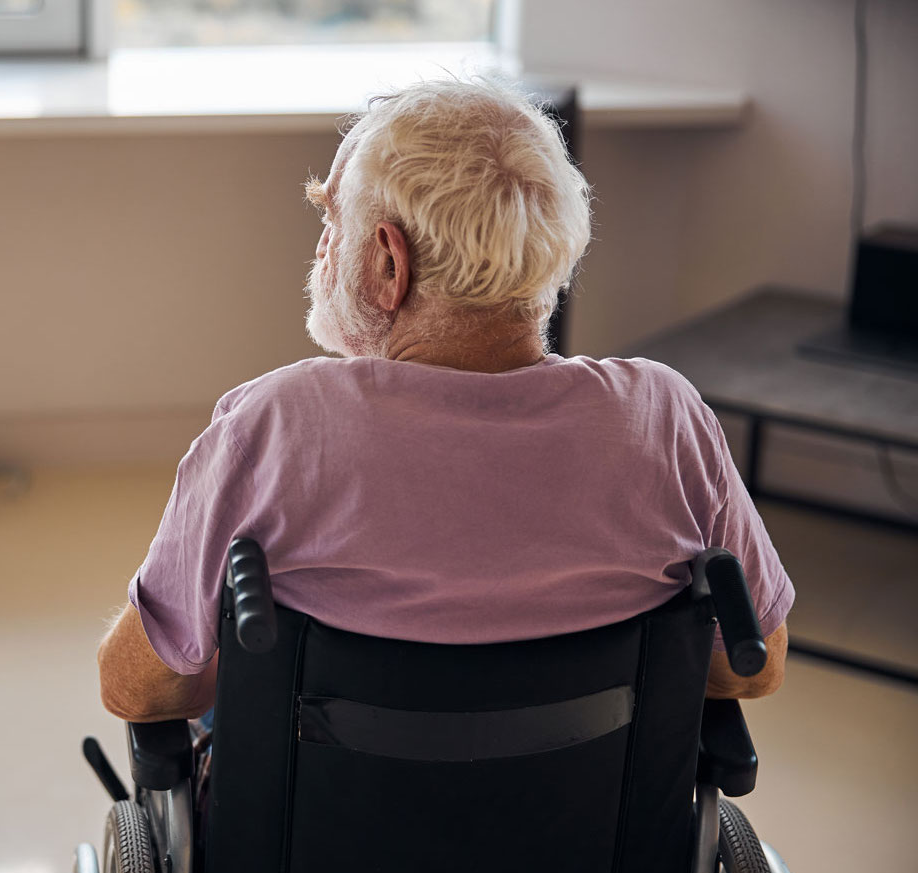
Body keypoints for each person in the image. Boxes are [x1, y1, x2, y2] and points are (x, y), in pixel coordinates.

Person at [98, 77, 792, 725]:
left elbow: (133, 686)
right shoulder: (664, 417)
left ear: (389, 264)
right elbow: (756, 666)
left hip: (326, 842)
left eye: (331, 222)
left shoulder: (273, 426)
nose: (320, 252)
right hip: (588, 841)